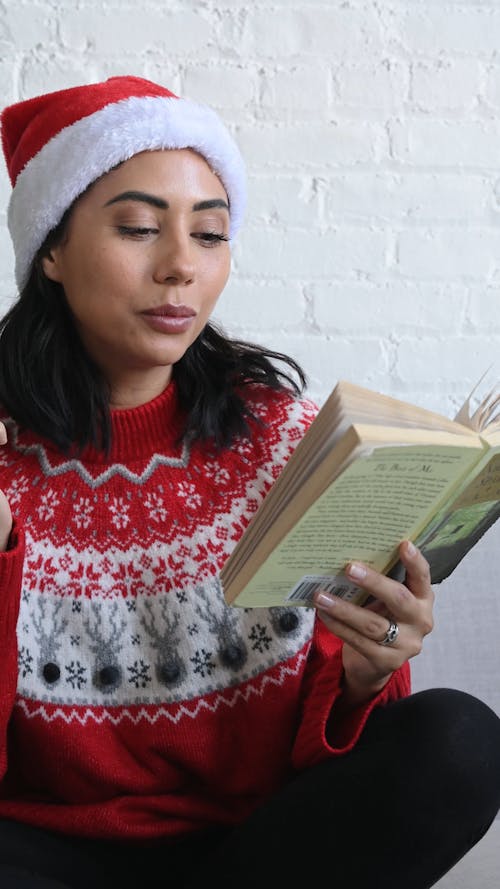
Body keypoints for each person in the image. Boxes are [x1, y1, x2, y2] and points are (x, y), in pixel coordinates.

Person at [0, 75, 498, 889]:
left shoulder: (293, 445)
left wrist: (369, 674)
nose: (179, 267)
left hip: (259, 849)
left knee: (460, 739)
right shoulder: (4, 458)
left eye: (209, 234)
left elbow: (340, 738)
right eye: (137, 227)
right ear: (51, 248)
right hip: (48, 849)